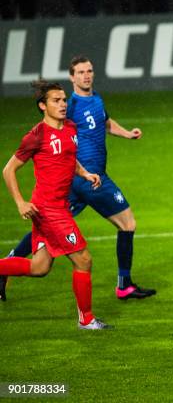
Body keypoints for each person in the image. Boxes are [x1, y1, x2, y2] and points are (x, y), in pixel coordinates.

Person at [5, 55, 155, 300]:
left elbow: (105, 122)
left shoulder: (96, 99)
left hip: (79, 179)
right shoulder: (70, 106)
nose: (86, 75)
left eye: (90, 71)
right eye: (81, 72)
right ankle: (124, 285)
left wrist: (127, 134)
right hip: (92, 180)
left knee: (44, 230)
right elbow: (53, 133)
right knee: (127, 224)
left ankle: (9, 263)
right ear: (72, 77)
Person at [0, 80, 111, 330]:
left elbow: (69, 158)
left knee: (39, 267)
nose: (63, 104)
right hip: (48, 209)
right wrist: (20, 202)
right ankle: (86, 319)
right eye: (56, 101)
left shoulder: (70, 128)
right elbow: (8, 170)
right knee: (83, 259)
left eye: (63, 100)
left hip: (60, 206)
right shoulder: (36, 136)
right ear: (42, 106)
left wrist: (85, 174)